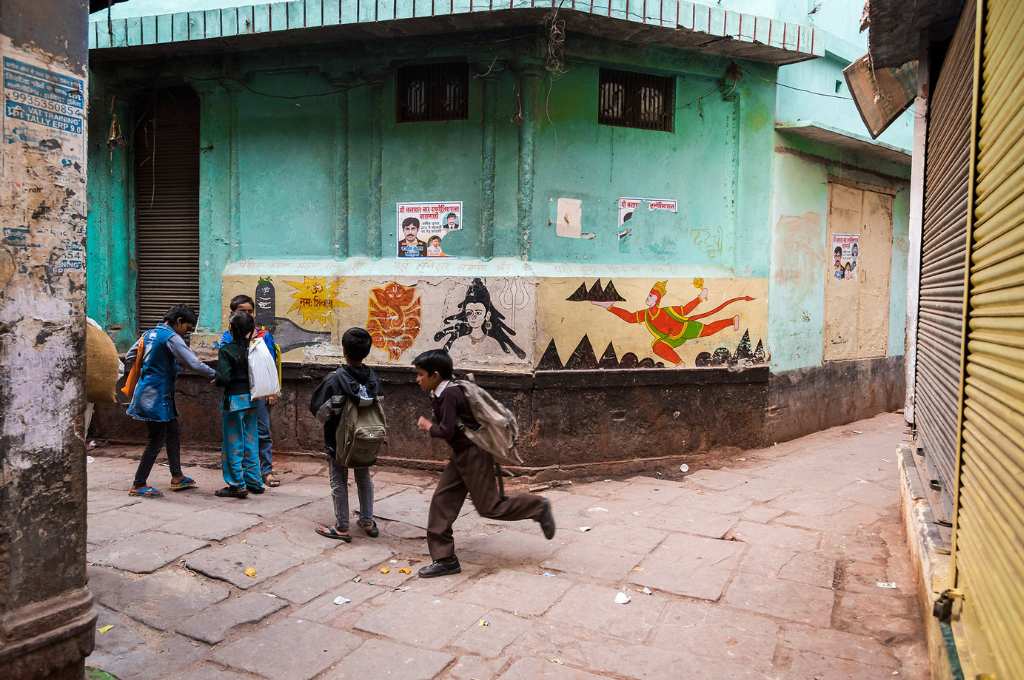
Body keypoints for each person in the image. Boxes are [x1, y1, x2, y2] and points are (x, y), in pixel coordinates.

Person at [412, 349, 555, 578]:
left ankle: (538, 507)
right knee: (442, 501)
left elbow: (447, 431)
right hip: (462, 455)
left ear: (435, 375)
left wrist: (429, 427)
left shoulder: (449, 394)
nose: (417, 379)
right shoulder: (443, 390)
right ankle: (445, 559)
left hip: (473, 455)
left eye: (420, 374)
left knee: (490, 507)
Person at [124, 304, 216, 498]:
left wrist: (145, 371)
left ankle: (177, 476)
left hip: (150, 393)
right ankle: (139, 483)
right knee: (156, 439)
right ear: (179, 322)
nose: (187, 333)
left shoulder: (149, 334)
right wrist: (216, 374)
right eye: (187, 328)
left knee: (172, 432)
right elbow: (193, 363)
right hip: (157, 397)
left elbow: (131, 356)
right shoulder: (171, 337)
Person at [309, 327, 380, 541]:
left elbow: (319, 410)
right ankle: (367, 520)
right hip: (366, 437)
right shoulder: (373, 379)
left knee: (338, 480)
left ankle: (341, 527)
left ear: (344, 350)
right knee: (364, 476)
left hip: (338, 439)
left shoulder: (334, 380)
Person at [592, 281, 753, 365]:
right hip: (672, 339)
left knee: (709, 330)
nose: (648, 298)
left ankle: (732, 320)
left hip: (685, 329)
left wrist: (699, 297)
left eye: (651, 296)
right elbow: (630, 317)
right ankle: (679, 363)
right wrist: (610, 307)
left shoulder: (667, 310)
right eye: (649, 295)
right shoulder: (646, 315)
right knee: (657, 346)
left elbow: (686, 309)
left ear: (658, 299)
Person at [218, 294, 282, 487]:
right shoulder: (234, 340)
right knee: (252, 437)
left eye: (249, 311)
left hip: (242, 397)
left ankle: (241, 481)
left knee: (240, 438)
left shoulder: (259, 338)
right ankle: (254, 479)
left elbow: (270, 364)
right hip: (253, 396)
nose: (247, 314)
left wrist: (271, 391)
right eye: (242, 311)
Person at [215, 311, 264, 499]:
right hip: (252, 399)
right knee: (251, 441)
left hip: (234, 400)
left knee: (233, 443)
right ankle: (255, 481)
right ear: (251, 330)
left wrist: (217, 379)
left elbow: (224, 377)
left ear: (231, 329)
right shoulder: (254, 349)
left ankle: (237, 484)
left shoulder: (227, 350)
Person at [434, 278, 526, 359]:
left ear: (487, 315)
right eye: (469, 312)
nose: (473, 316)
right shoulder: (458, 341)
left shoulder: (493, 343)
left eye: (478, 312)